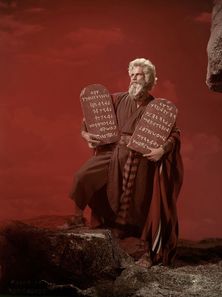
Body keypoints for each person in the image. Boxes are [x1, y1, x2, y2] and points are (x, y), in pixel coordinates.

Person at [69, 58, 183, 267]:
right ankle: (77, 217)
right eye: (132, 74)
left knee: (145, 204)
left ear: (148, 79)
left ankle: (146, 251)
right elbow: (91, 116)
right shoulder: (118, 99)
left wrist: (161, 150)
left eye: (139, 75)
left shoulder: (158, 109)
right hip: (113, 156)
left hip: (141, 161)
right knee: (83, 176)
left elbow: (174, 135)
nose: (134, 78)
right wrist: (85, 134)